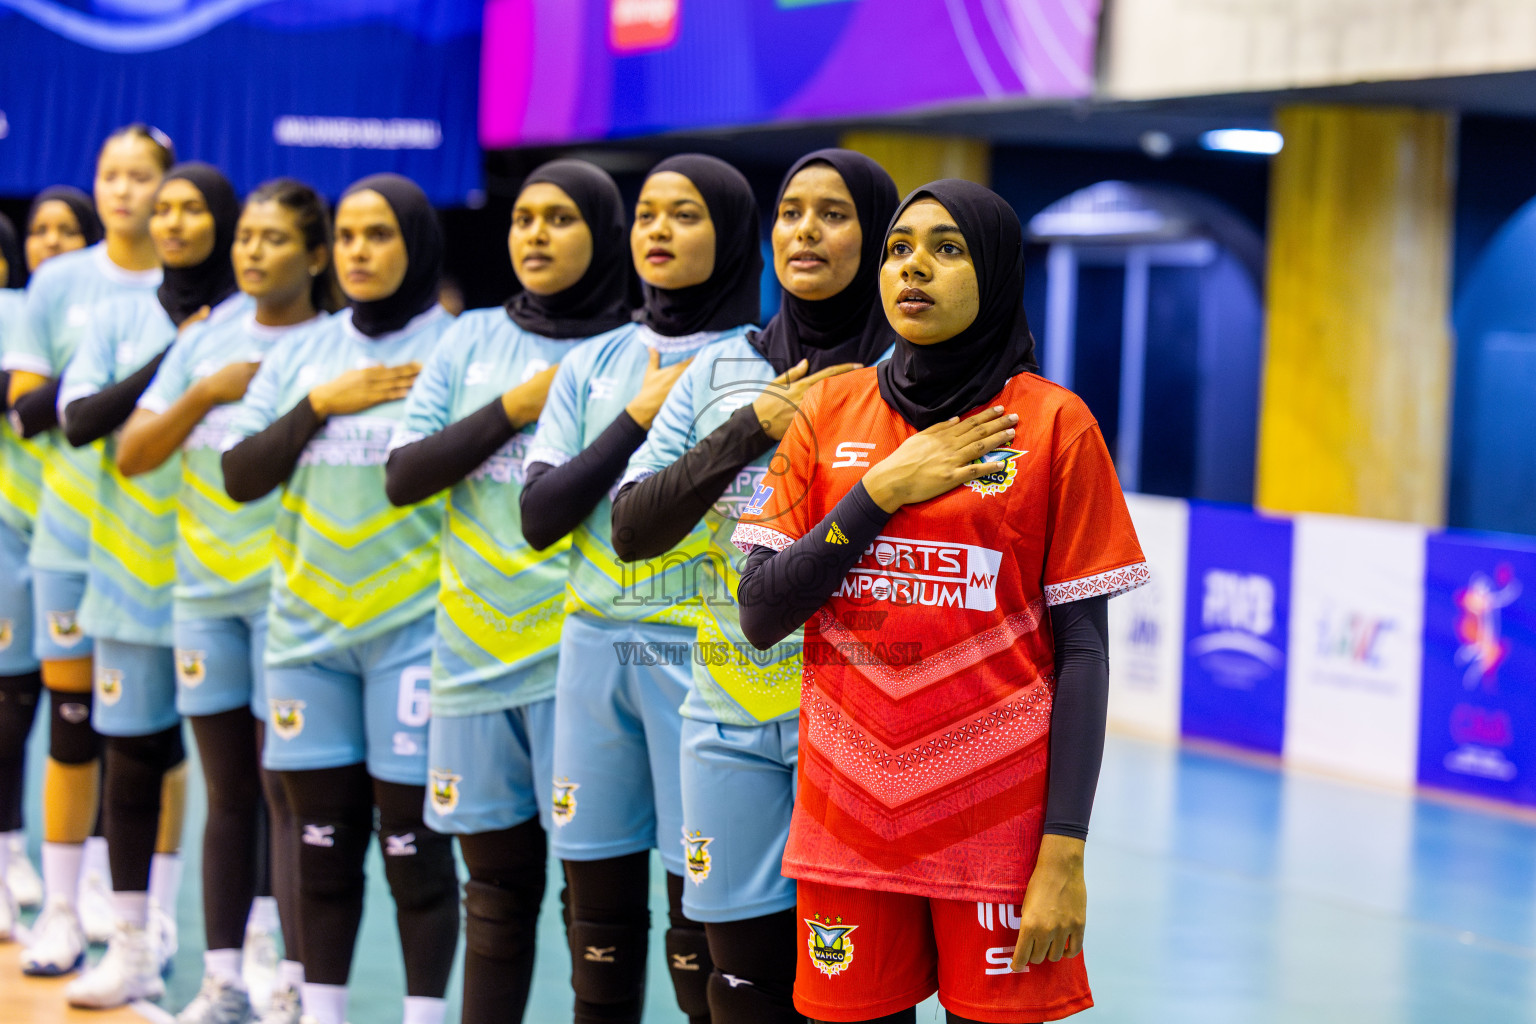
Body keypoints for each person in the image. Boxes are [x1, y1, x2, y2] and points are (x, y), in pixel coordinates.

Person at [733, 180, 1149, 1024]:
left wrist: (1064, 851)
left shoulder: (1056, 425)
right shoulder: (828, 412)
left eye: (947, 248)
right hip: (847, 827)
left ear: (995, 273)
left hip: (999, 838)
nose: (912, 267)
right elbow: (762, 612)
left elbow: (1083, 652)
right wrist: (878, 493)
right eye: (898, 249)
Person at [611, 148, 898, 1024]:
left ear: (877, 239)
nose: (805, 230)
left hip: (863, 722)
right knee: (738, 984)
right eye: (791, 211)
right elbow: (632, 529)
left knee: (857, 990)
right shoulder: (715, 372)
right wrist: (749, 428)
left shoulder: (915, 377)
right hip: (727, 716)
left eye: (834, 214)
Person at [384, 158, 632, 1024]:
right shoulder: (469, 339)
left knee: (597, 910)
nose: (534, 235)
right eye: (524, 218)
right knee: (492, 896)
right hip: (476, 653)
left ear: (604, 234)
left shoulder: (637, 349)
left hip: (586, 661)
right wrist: (515, 407)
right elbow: (403, 475)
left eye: (560, 219)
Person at [519, 153, 760, 1024]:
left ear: (732, 234)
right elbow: (539, 515)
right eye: (648, 213)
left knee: (702, 925)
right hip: (595, 652)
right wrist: (635, 417)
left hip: (706, 659)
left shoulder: (762, 363)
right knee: (596, 924)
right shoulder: (594, 363)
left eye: (685, 214)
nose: (659, 229)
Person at [221, 173, 458, 1024]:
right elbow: (240, 473)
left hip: (414, 631)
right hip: (306, 634)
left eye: (379, 234)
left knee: (413, 853)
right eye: (348, 235)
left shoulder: (456, 348)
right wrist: (320, 403)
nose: (359, 251)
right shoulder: (302, 354)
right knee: (319, 849)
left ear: (416, 243)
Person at [118, 178, 341, 1024]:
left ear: (314, 257)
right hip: (204, 597)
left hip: (294, 601)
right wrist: (206, 390)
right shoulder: (204, 341)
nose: (252, 251)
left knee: (286, 792)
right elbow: (134, 453)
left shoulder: (334, 345)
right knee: (227, 793)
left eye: (274, 238)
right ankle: (222, 982)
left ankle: (287, 979)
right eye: (246, 235)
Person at [57, 161, 246, 1008]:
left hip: (227, 577)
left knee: (243, 780)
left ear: (222, 222)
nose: (170, 222)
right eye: (162, 208)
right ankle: (131, 943)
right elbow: (77, 422)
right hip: (129, 574)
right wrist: (180, 359)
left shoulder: (255, 320)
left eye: (191, 209)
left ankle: (250, 959)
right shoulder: (117, 318)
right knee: (133, 760)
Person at [3, 125, 173, 978]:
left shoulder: (196, 284)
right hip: (69, 535)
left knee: (159, 735)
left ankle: (153, 913)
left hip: (166, 545)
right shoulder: (61, 282)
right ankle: (62, 910)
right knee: (72, 722)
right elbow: (31, 408)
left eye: (141, 176)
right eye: (111, 174)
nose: (123, 190)